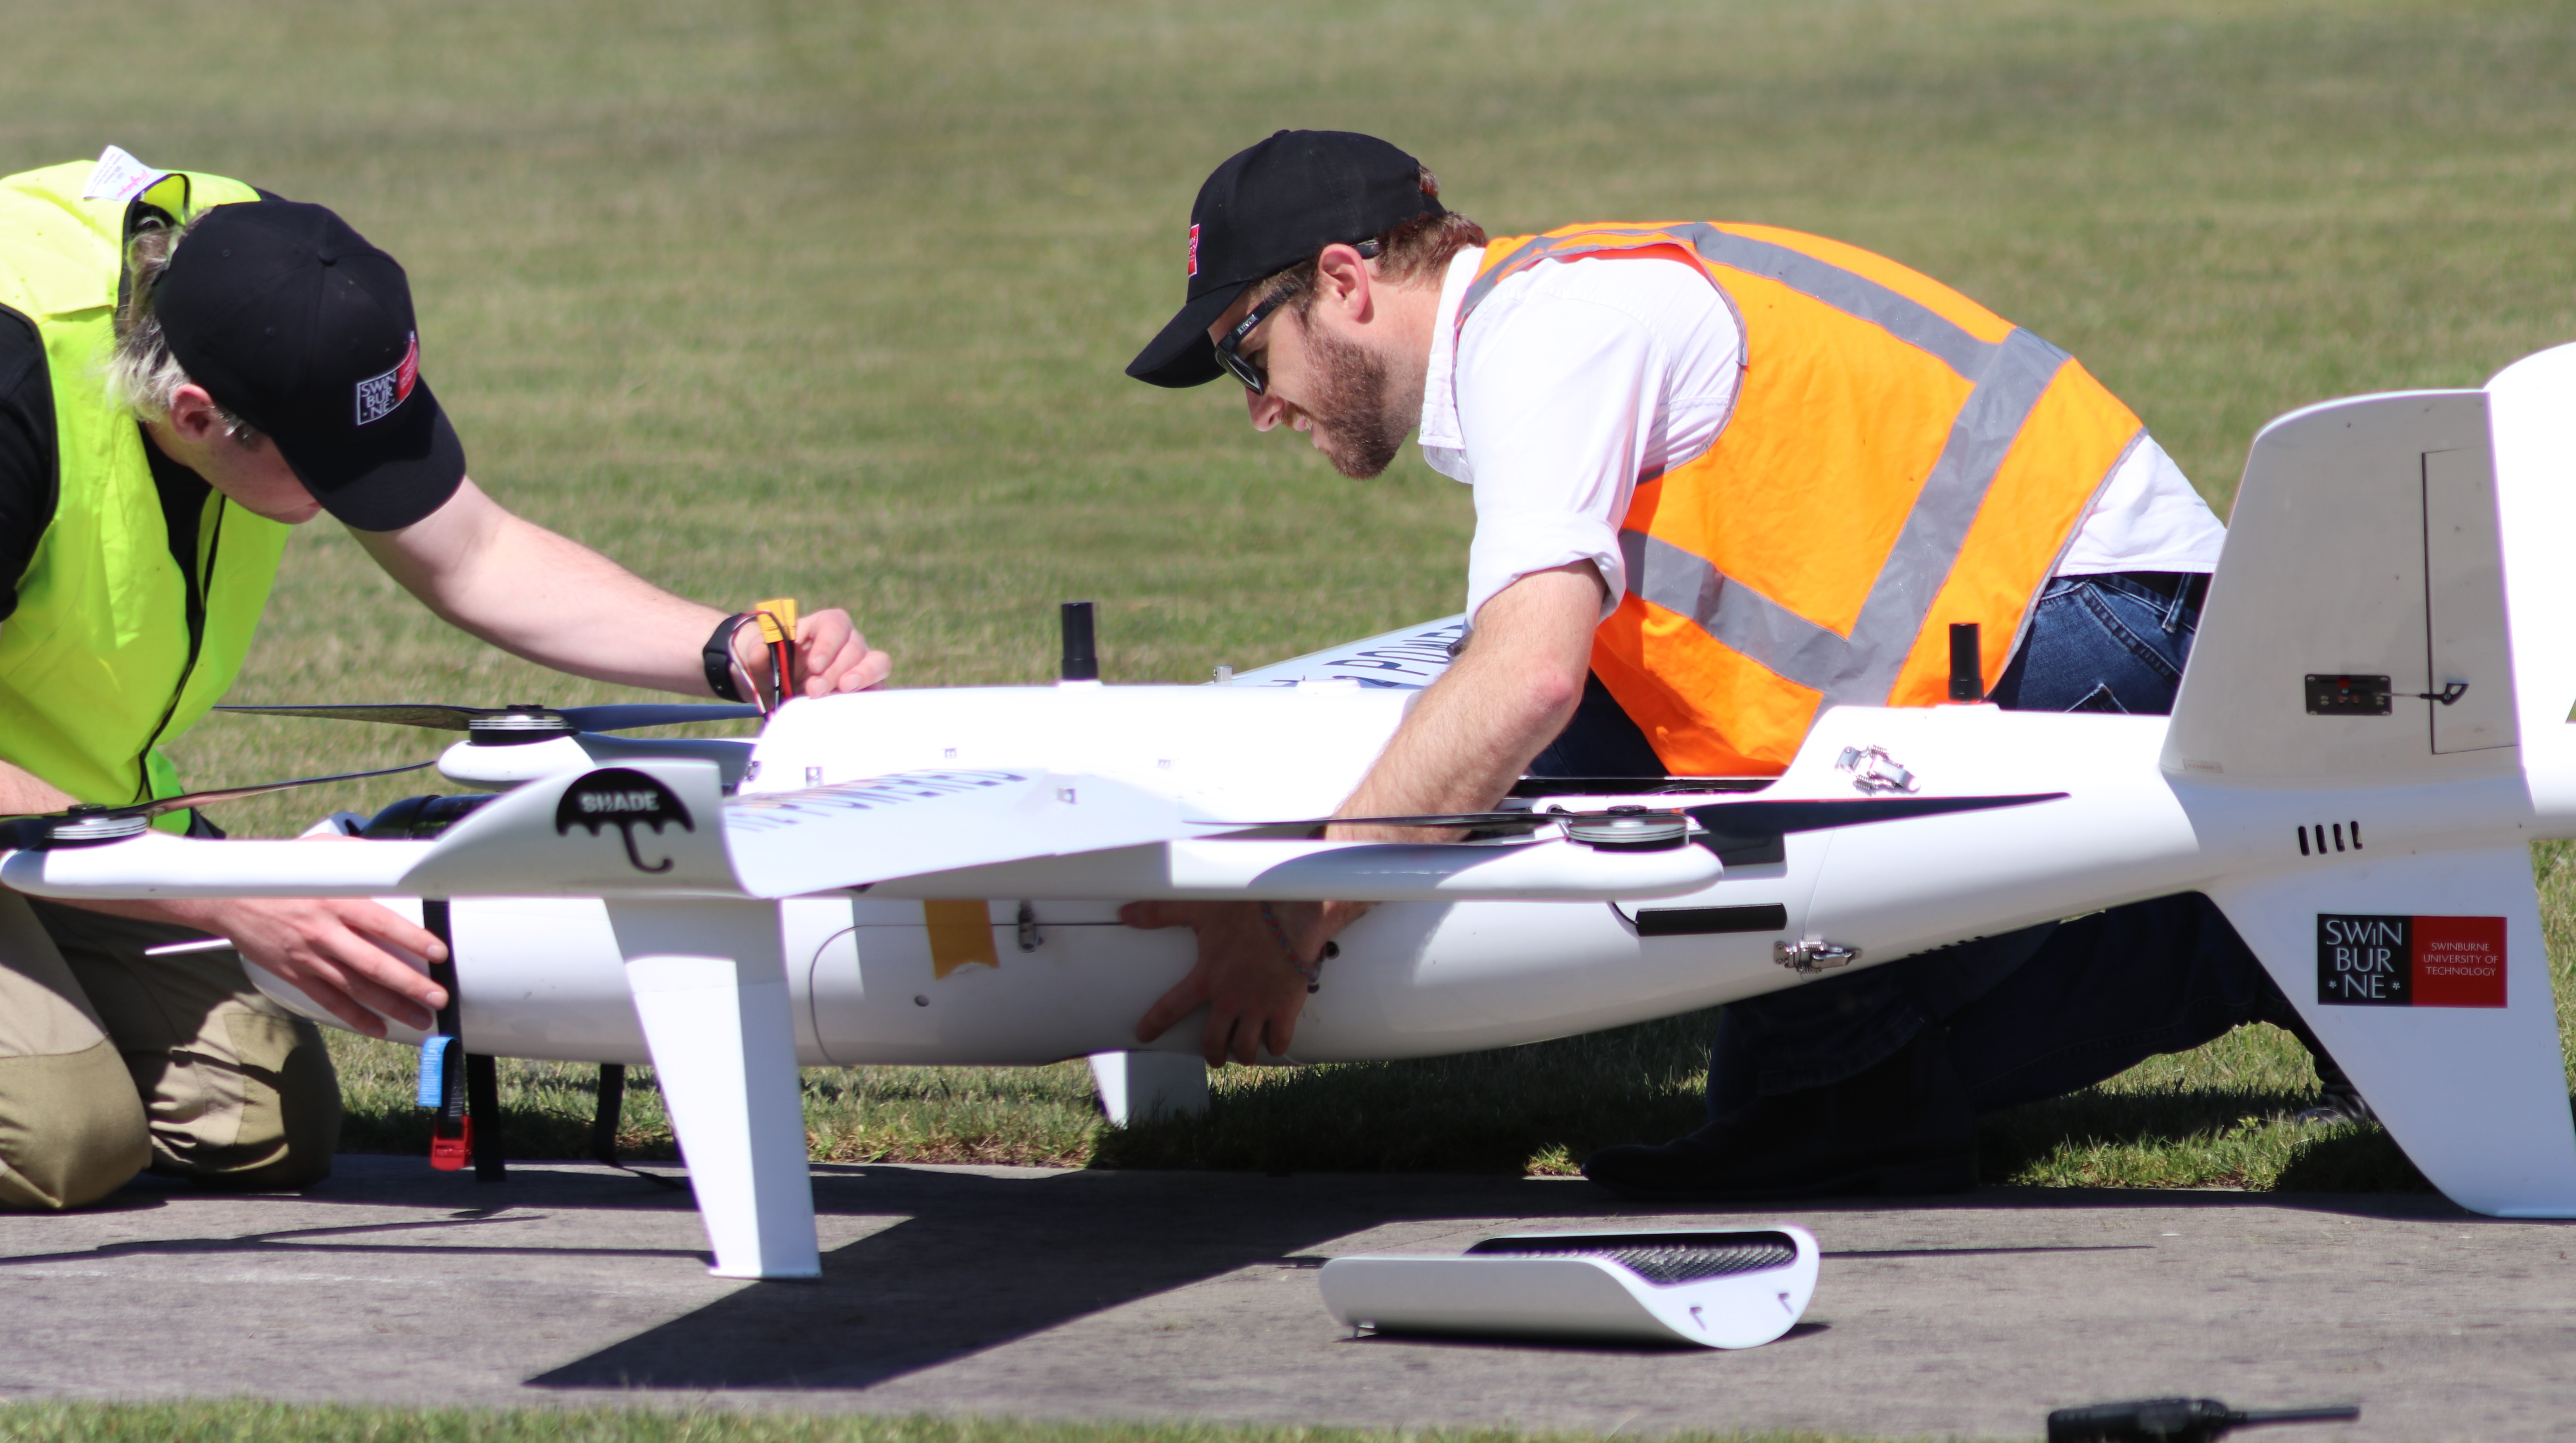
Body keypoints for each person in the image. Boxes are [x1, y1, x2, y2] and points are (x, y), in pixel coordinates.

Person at [1118, 130, 2347, 1199]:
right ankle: (2230, 948)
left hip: (2093, 619)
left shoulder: (1545, 338)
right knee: (1787, 1054)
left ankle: (2241, 944)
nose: (1258, 407)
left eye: (1244, 352)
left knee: (1813, 1092)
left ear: (1343, 283)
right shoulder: (1550, 316)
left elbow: (1525, 676)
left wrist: (1290, 919)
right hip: (2074, 607)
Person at [0, 150, 892, 1210]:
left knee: (261, 1123)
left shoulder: (292, 289)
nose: (355, 496)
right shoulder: (18, 396)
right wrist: (228, 896)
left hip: (64, 813)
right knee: (64, 1140)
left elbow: (470, 552)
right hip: (41, 815)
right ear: (197, 416)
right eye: (326, 466)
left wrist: (727, 643)